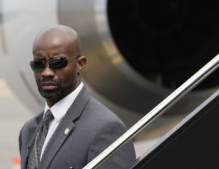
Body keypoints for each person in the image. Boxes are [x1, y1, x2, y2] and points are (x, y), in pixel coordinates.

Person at [18, 25, 136, 169]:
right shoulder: (29, 130)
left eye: (57, 62)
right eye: (38, 64)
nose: (46, 72)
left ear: (80, 64)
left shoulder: (106, 129)